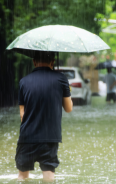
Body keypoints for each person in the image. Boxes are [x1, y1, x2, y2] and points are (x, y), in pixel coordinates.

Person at [16, 51, 73, 182]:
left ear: (34, 61)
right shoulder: (61, 79)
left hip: (27, 138)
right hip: (50, 138)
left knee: (22, 178)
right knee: (48, 179)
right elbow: (68, 108)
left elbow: (22, 115)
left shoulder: (23, 82)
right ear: (53, 61)